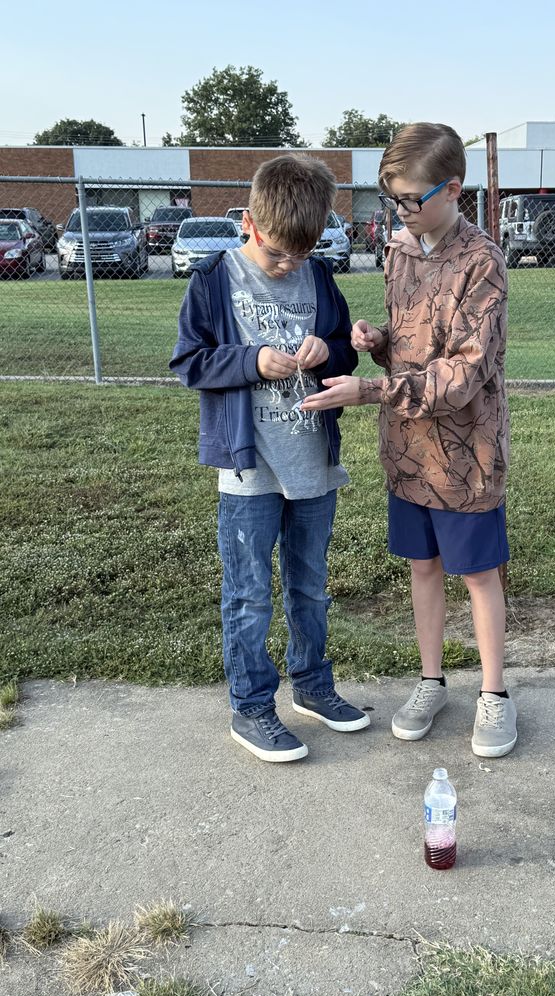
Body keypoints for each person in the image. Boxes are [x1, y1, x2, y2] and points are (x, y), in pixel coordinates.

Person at [301, 123, 516, 759]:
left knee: (477, 573)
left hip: (465, 453)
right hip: (407, 448)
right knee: (423, 567)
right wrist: (378, 341)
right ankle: (431, 682)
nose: (399, 213)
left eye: (410, 201)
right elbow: (411, 343)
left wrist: (366, 391)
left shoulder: (483, 264)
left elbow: (461, 376)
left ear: (455, 189)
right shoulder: (400, 250)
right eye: (391, 201)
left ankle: (495, 695)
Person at [170, 155, 369, 763]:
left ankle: (312, 687)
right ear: (249, 224)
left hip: (312, 464)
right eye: (279, 252)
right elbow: (189, 363)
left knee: (310, 588)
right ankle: (252, 707)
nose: (289, 266)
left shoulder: (319, 278)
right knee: (250, 594)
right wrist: (251, 362)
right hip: (248, 470)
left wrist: (328, 351)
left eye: (300, 256)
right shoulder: (212, 279)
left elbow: (346, 357)